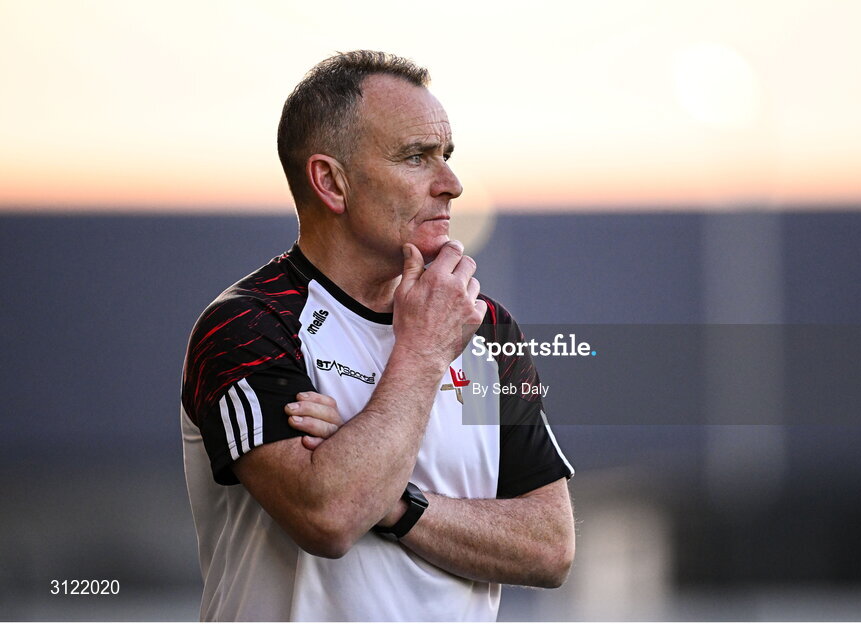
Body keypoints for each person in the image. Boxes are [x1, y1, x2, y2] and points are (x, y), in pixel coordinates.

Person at [180, 50, 575, 621]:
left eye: (447, 156)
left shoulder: (484, 326)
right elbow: (330, 516)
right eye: (417, 157)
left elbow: (550, 547)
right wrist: (422, 351)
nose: (453, 185)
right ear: (331, 183)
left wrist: (395, 503)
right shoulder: (246, 325)